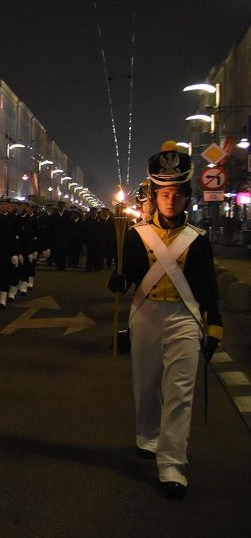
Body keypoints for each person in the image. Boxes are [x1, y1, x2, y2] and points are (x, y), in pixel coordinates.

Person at [107, 141, 222, 500]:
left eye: (176, 193)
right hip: (146, 315)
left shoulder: (199, 241)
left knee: (180, 392)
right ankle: (147, 435)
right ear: (154, 197)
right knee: (146, 383)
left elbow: (208, 287)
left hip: (185, 319)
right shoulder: (137, 236)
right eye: (163, 193)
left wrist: (214, 325)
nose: (170, 200)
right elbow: (128, 275)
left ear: (186, 196)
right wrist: (119, 280)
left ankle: (171, 462)